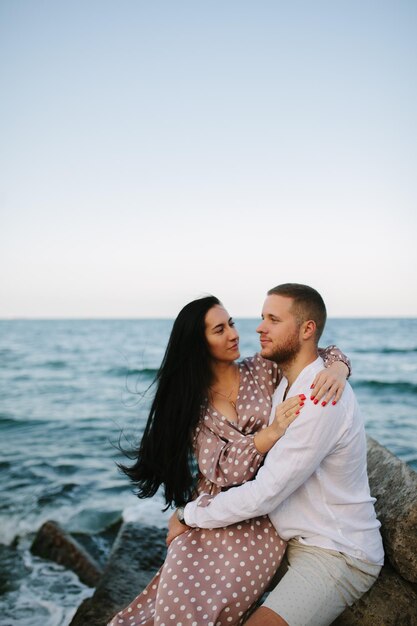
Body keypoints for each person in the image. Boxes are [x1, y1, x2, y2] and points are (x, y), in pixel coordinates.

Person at [108, 295, 351, 626]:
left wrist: (338, 368)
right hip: (211, 508)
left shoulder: (262, 369)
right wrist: (270, 433)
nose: (234, 334)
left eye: (232, 324)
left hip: (256, 517)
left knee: (205, 610)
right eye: (219, 330)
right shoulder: (194, 405)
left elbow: (316, 353)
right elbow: (223, 469)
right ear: (199, 344)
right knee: (168, 600)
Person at [169, 284, 384, 626]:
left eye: (273, 319)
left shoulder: (318, 397)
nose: (257, 328)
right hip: (288, 538)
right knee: (185, 580)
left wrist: (187, 515)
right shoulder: (284, 384)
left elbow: (265, 493)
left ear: (306, 329)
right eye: (260, 318)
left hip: (335, 551)